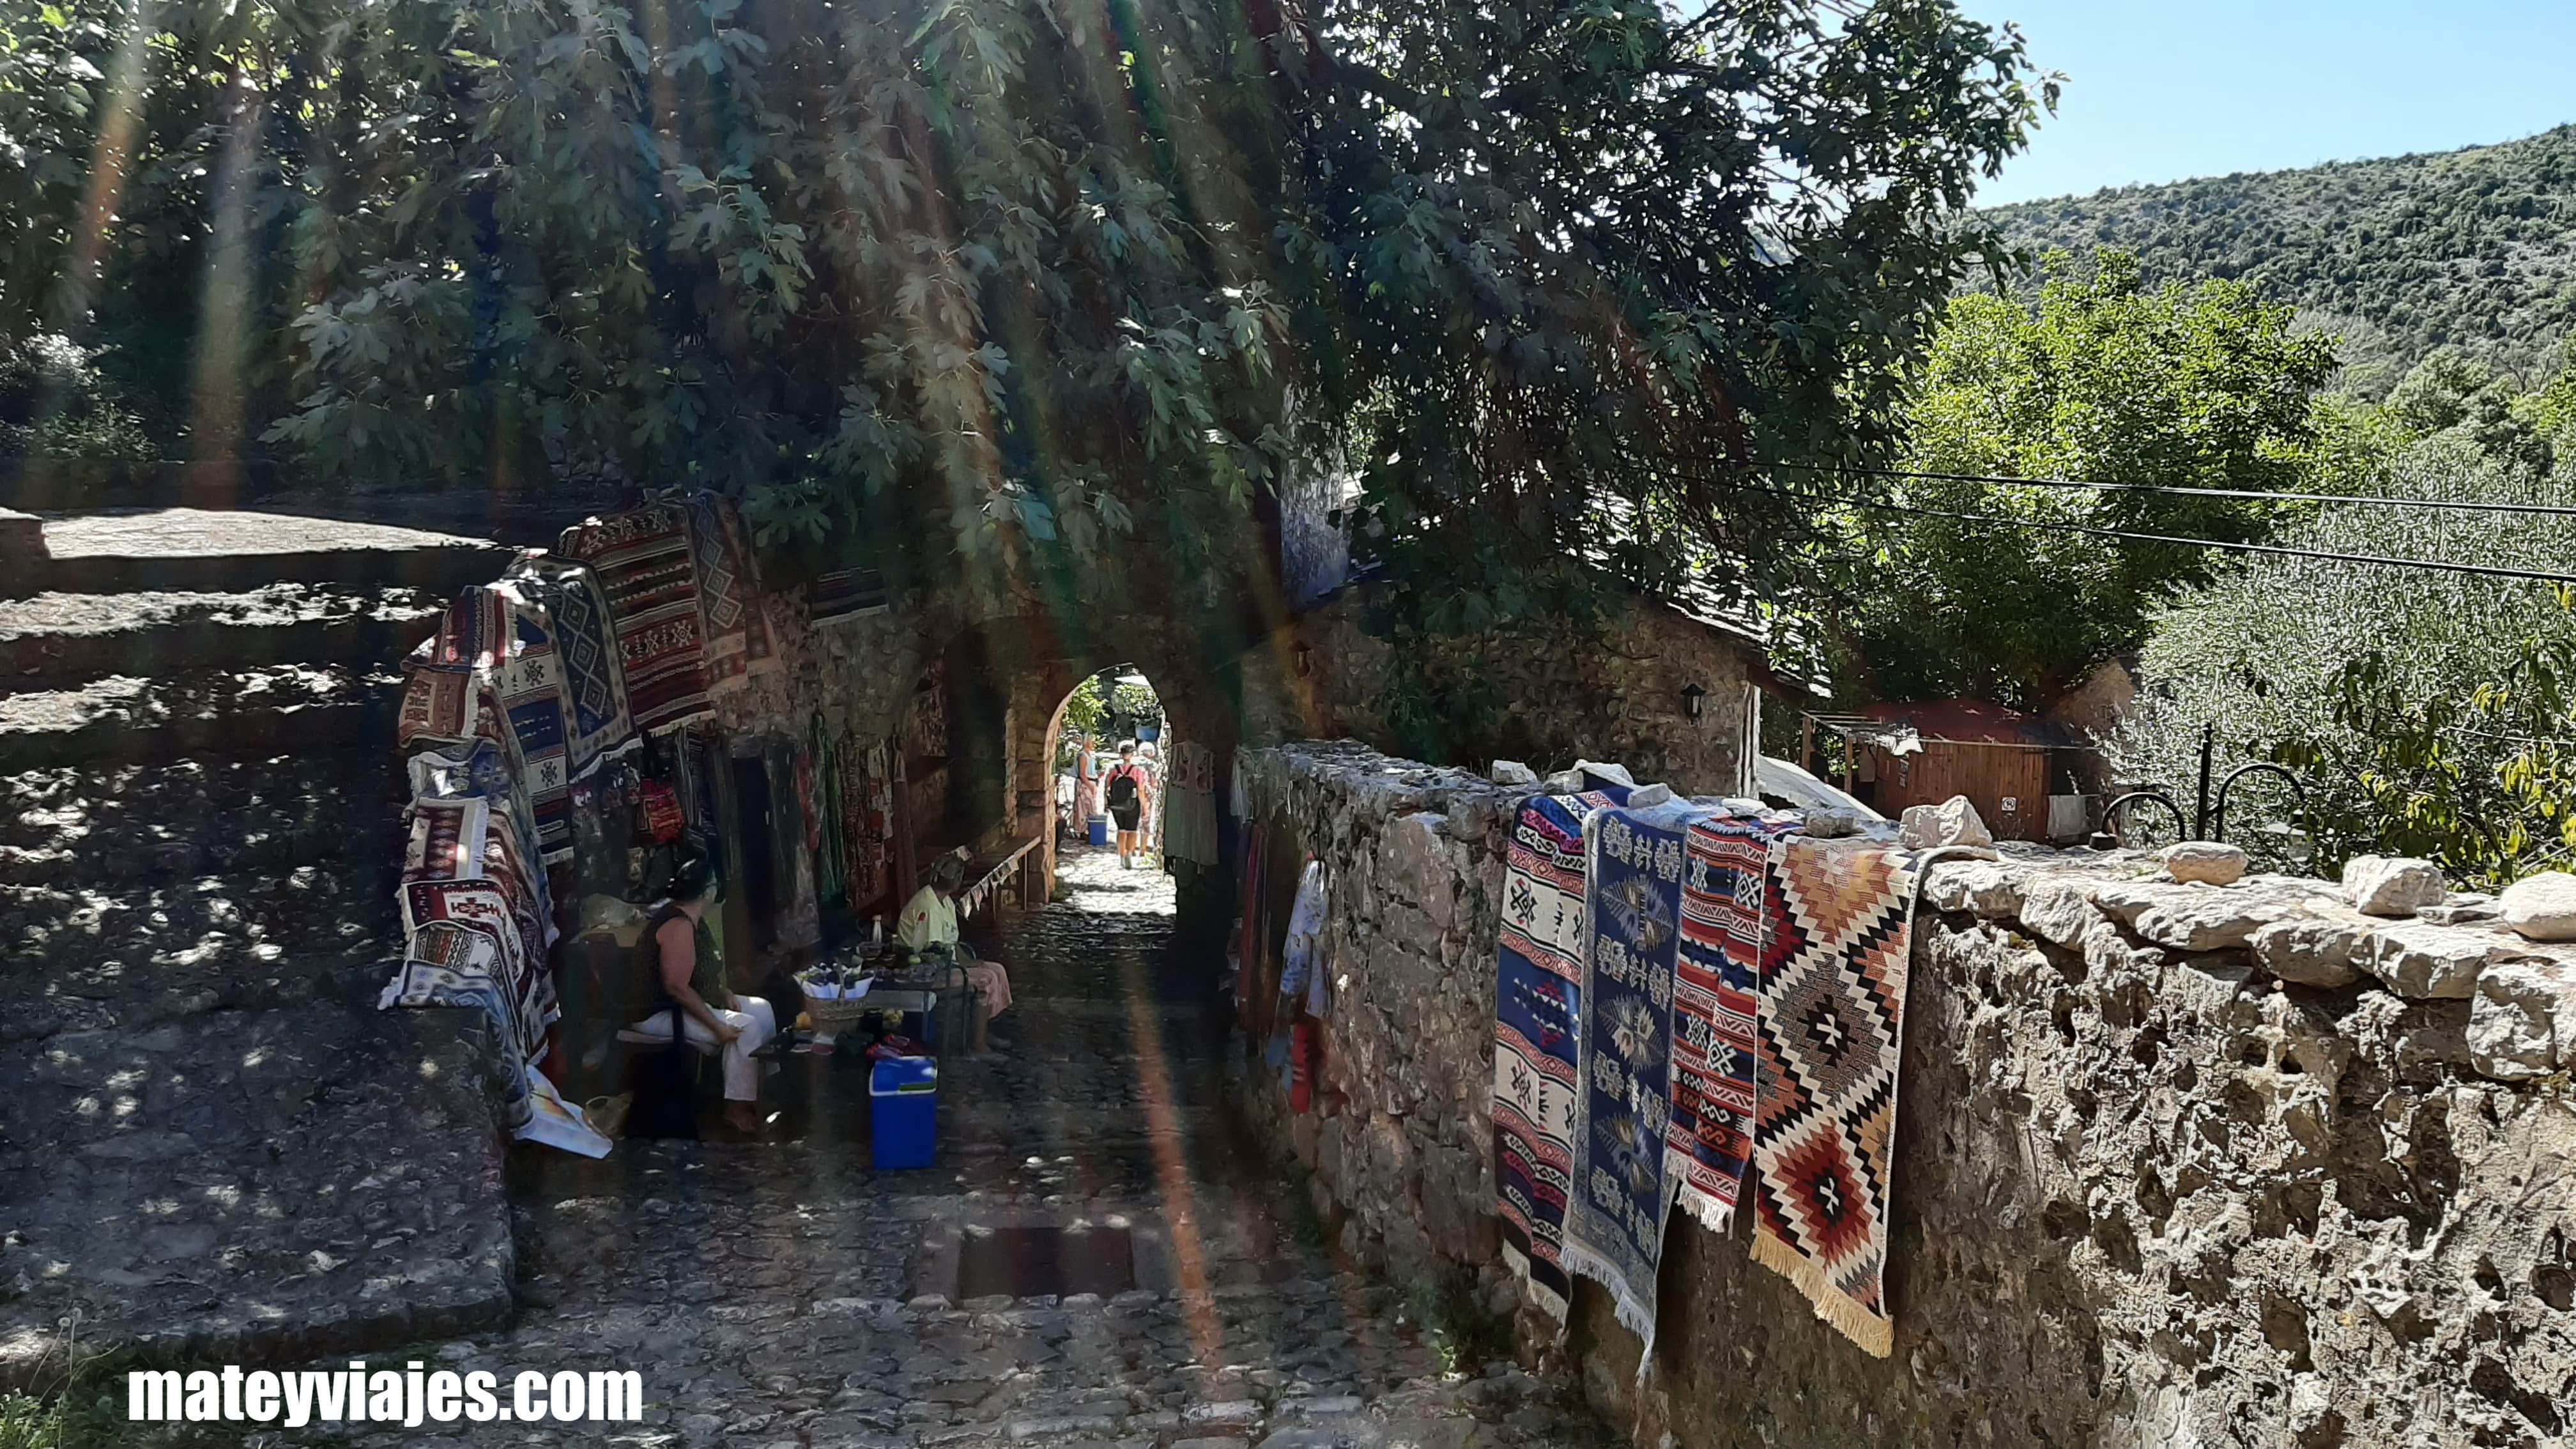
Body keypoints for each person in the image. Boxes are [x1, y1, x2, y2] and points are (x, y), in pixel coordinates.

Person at [627, 853, 776, 1137]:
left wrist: (723, 991)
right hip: (656, 1013)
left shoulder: (695, 919)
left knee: (762, 1009)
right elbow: (676, 987)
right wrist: (716, 1025)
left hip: (681, 1004)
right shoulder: (678, 925)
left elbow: (700, 973)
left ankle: (760, 1091)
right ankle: (735, 1107)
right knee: (746, 1027)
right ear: (707, 891)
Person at [898, 855, 1014, 1054]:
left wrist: (970, 962)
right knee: (985, 980)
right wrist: (964, 966)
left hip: (944, 963)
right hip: (924, 974)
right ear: (957, 881)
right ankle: (978, 1045)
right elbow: (932, 953)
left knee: (998, 970)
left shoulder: (946, 902)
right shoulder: (928, 905)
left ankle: (983, 1031)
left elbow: (952, 942)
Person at [1103, 742, 1154, 868]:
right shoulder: (1137, 770)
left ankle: (1121, 856)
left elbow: (1107, 787)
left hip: (1117, 804)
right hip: (1133, 803)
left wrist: (1106, 803)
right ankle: (1129, 855)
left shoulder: (1113, 769)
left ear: (1120, 754)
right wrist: (1143, 806)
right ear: (1132, 754)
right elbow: (1141, 790)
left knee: (1121, 830)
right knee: (1132, 830)